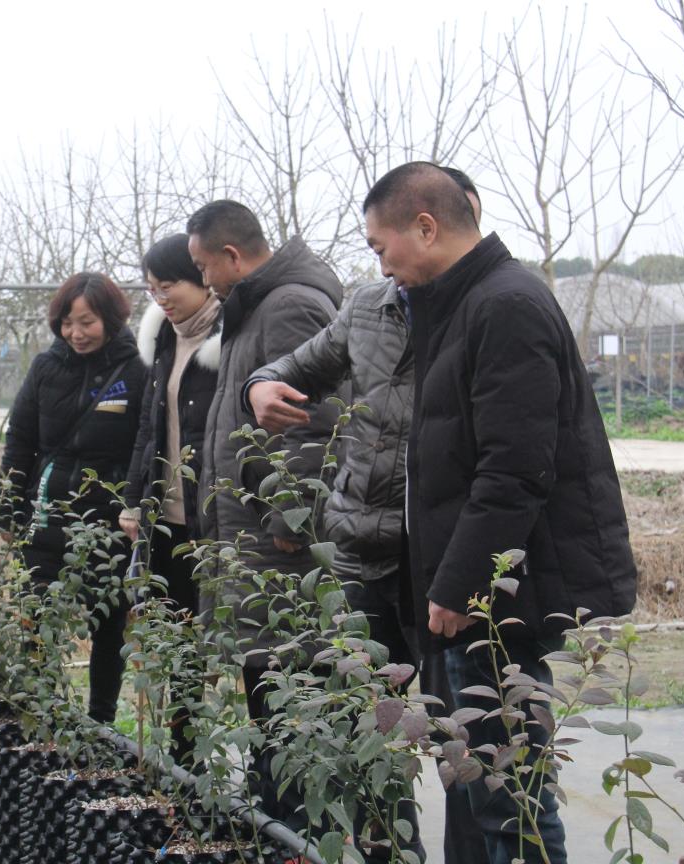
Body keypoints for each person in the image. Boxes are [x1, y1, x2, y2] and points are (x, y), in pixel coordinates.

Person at [362, 161, 637, 864]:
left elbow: (516, 470)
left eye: (380, 246)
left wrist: (459, 587)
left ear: (425, 227)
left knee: (506, 793)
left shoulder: (504, 305)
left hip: (492, 601)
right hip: (469, 591)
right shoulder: (459, 305)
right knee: (477, 783)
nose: (382, 266)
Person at [245, 167, 487, 863]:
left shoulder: (483, 313)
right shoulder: (369, 308)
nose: (385, 262)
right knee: (366, 740)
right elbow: (297, 365)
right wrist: (262, 386)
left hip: (437, 566)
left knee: (460, 745)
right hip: (359, 557)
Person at [186, 200, 344, 829]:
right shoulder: (251, 309)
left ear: (231, 255)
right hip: (247, 532)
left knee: (291, 694)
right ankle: (279, 828)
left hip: (278, 547)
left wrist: (291, 519)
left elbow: (315, 423)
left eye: (204, 267)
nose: (203, 282)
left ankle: (304, 833)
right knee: (266, 694)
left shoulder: (290, 307)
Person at [0, 272, 147, 723]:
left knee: (110, 623)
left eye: (87, 322)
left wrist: (135, 506)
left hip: (108, 522)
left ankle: (100, 722)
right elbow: (20, 439)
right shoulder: (46, 367)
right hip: (46, 516)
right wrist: (6, 511)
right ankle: (40, 714)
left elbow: (145, 444)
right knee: (38, 619)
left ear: (112, 320)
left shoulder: (136, 370)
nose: (76, 334)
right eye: (67, 323)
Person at [120, 233, 221, 765]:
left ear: (203, 276)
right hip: (169, 522)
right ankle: (186, 761)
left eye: (170, 285)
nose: (161, 298)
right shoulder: (162, 337)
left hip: (217, 524)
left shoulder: (232, 338)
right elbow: (149, 427)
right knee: (176, 642)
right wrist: (135, 501)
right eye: (152, 289)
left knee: (226, 645)